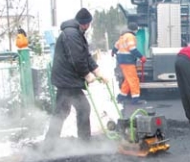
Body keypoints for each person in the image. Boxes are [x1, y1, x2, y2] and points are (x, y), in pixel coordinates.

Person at [45, 8, 106, 141]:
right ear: (85, 23)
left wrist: (97, 71)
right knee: (83, 108)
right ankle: (83, 141)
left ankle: (50, 143)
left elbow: (85, 56)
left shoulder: (76, 33)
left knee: (62, 111)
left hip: (67, 79)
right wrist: (87, 74)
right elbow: (77, 59)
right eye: (88, 24)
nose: (88, 26)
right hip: (67, 80)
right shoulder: (72, 34)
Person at [112, 22, 146, 104]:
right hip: (128, 61)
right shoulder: (131, 37)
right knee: (134, 79)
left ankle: (121, 97)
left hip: (122, 60)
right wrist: (141, 57)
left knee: (128, 79)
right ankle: (135, 99)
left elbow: (116, 46)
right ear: (135, 30)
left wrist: (113, 51)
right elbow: (132, 49)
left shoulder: (123, 36)